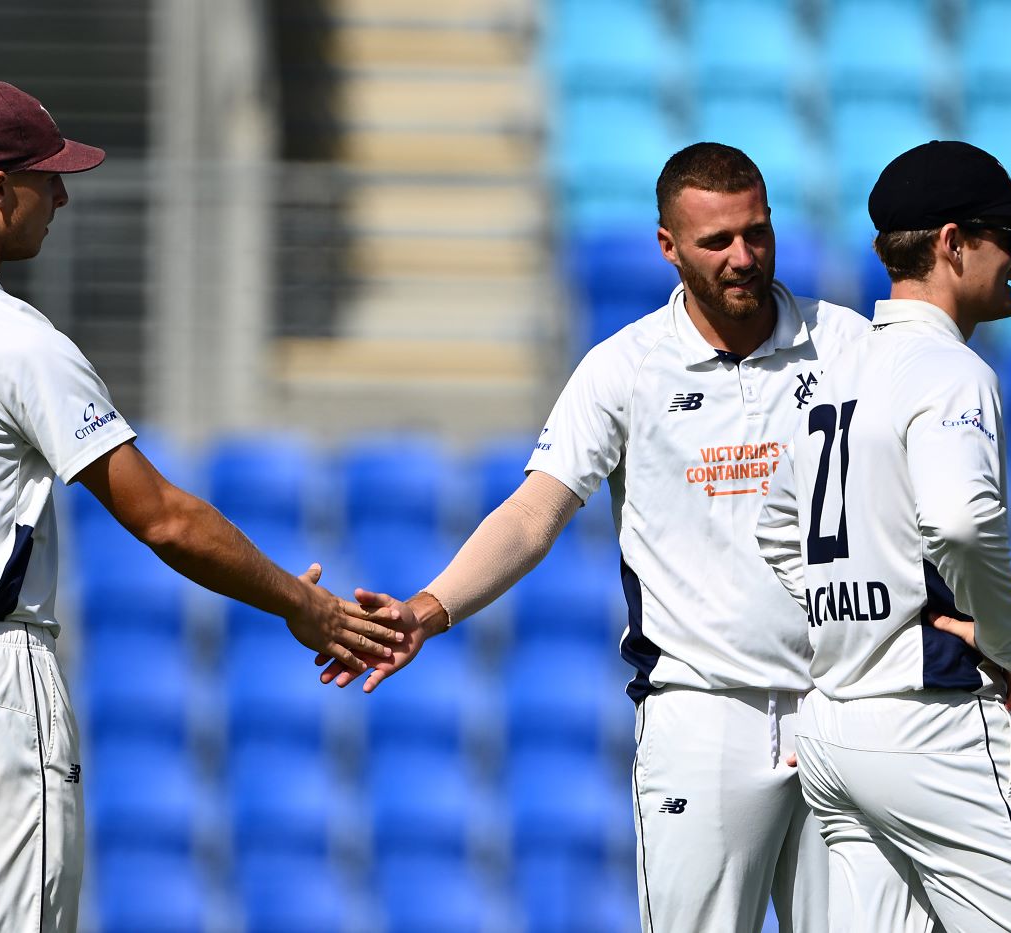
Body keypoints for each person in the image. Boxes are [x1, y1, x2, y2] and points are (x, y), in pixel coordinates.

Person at [0, 80, 402, 933]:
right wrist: (303, 605)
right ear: (0, 189)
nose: (63, 196)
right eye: (47, 178)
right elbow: (163, 518)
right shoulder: (16, 338)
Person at [320, 143, 873, 932]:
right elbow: (531, 515)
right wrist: (428, 610)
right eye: (716, 241)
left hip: (843, 705)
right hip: (703, 713)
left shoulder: (849, 345)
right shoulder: (625, 367)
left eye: (756, 232)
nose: (743, 257)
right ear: (668, 246)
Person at [755, 140, 1011, 931]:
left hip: (834, 725)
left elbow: (774, 532)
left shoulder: (828, 377)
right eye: (1009, 233)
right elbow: (960, 522)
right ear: (952, 242)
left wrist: (850, 615)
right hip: (929, 719)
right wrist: (1006, 643)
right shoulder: (952, 371)